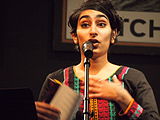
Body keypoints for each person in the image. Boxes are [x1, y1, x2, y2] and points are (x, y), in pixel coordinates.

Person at [35, 0, 160, 119]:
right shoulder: (58, 79)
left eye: (101, 24)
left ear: (113, 34)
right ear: (74, 36)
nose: (93, 31)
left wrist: (123, 99)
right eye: (85, 25)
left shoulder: (132, 78)